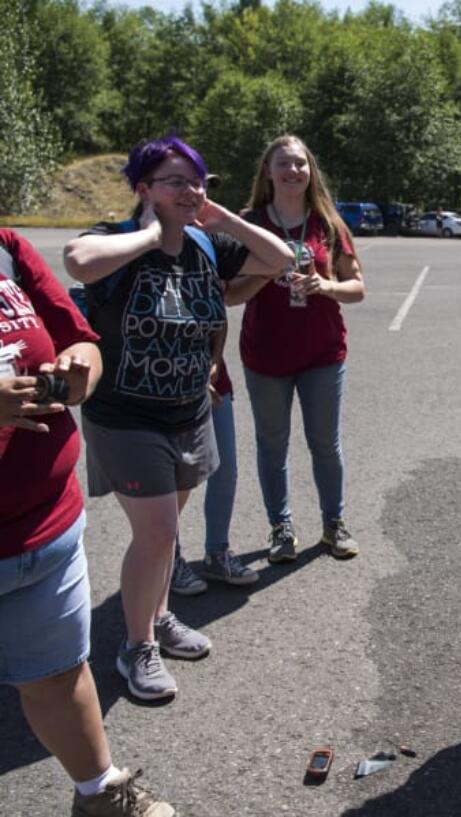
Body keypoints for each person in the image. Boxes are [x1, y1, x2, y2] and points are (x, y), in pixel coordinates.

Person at [64, 135, 291, 701]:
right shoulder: (116, 240)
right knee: (158, 531)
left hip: (190, 412)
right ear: (143, 189)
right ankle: (134, 647)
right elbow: (78, 262)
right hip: (126, 417)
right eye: (175, 182)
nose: (190, 191)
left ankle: (158, 618)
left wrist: (218, 220)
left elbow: (282, 259)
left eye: (197, 181)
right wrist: (150, 233)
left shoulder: (206, 246)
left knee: (165, 536)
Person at [1, 229, 174, 815]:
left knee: (57, 676)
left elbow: (80, 336)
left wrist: (82, 367)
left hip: (43, 529)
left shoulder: (6, 248)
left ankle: (99, 794)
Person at [228, 135, 365, 564]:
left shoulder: (328, 222)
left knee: (325, 443)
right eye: (283, 164)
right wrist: (266, 274)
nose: (292, 171)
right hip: (266, 355)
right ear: (267, 172)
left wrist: (324, 286)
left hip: (322, 353)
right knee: (272, 445)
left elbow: (357, 287)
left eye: (300, 164)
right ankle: (281, 528)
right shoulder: (248, 223)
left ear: (311, 172)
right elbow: (229, 294)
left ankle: (333, 524)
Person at [169, 355, 257, 595]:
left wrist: (215, 359)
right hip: (164, 385)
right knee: (174, 478)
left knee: (225, 468)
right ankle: (168, 559)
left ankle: (217, 553)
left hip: (214, 381)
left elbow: (218, 321)